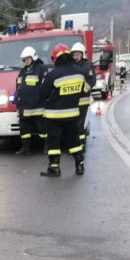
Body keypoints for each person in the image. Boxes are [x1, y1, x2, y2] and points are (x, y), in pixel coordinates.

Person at [38, 43, 87, 177]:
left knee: (53, 140)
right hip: (73, 113)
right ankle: (80, 165)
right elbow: (85, 90)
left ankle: (54, 168)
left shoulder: (53, 75)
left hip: (54, 115)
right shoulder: (80, 73)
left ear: (55, 59)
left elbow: (42, 94)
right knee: (74, 140)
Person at [14, 46, 46, 156]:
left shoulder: (41, 68)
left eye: (27, 59)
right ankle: (26, 148)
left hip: (37, 105)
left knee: (42, 128)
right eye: (24, 60)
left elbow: (45, 85)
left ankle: (46, 147)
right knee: (24, 129)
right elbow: (19, 85)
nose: (25, 61)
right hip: (23, 106)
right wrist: (16, 96)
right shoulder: (23, 71)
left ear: (33, 57)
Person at [71, 41, 95, 147]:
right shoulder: (71, 66)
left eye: (77, 54)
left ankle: (80, 144)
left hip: (83, 100)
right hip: (72, 100)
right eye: (74, 55)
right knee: (72, 124)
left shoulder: (87, 65)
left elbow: (91, 81)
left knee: (80, 124)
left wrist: (82, 90)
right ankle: (73, 144)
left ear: (82, 54)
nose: (76, 57)